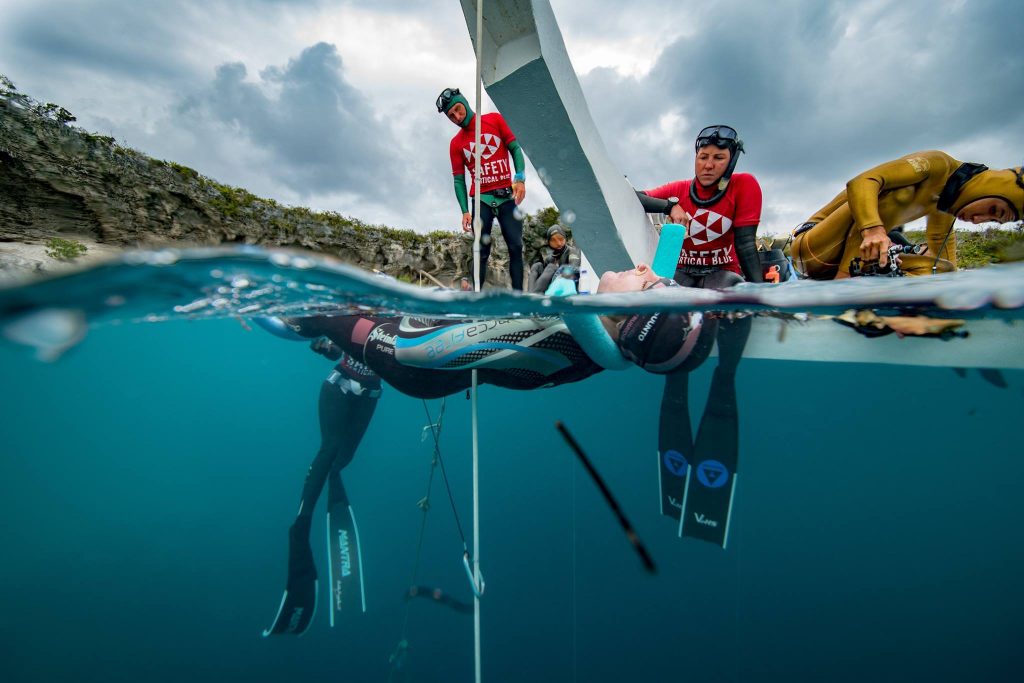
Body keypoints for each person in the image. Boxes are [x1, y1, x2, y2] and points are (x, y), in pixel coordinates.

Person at [263, 259, 752, 635]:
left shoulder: (558, 330)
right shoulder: (607, 346)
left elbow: (420, 349)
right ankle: (342, 348)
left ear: (631, 320)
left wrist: (362, 330)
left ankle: (308, 332)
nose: (645, 269)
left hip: (411, 358)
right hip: (447, 372)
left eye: (649, 285)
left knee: (324, 313)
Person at [791, 151, 1024, 279]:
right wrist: (873, 230)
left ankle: (874, 290)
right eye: (993, 210)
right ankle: (844, 284)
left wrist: (951, 288)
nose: (978, 220)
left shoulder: (945, 204)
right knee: (898, 194)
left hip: (842, 262)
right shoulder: (937, 164)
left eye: (992, 220)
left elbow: (943, 248)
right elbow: (862, 181)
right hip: (811, 247)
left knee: (943, 270)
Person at [636, 124, 765, 287]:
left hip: (723, 272)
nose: (708, 165)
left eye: (719, 158)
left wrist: (761, 297)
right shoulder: (679, 189)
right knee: (658, 294)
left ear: (731, 162)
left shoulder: (744, 184)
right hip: (682, 271)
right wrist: (669, 206)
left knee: (726, 291)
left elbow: (745, 244)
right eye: (703, 157)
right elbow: (633, 196)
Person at [437, 87, 527, 290]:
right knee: (480, 249)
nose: (457, 117)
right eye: (451, 116)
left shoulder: (494, 120)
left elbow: (515, 148)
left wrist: (520, 177)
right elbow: (459, 180)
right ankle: (475, 295)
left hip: (506, 195)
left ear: (465, 102)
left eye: (458, 110)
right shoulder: (456, 144)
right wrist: (464, 211)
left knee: (515, 246)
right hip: (481, 199)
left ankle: (519, 298)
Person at [528, 224, 581, 293]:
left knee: (551, 267)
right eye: (553, 241)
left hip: (566, 287)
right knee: (537, 265)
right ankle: (530, 294)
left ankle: (535, 295)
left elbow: (574, 268)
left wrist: (558, 272)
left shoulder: (572, 251)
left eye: (560, 239)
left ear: (565, 238)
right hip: (550, 287)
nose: (558, 243)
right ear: (549, 243)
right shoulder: (549, 259)